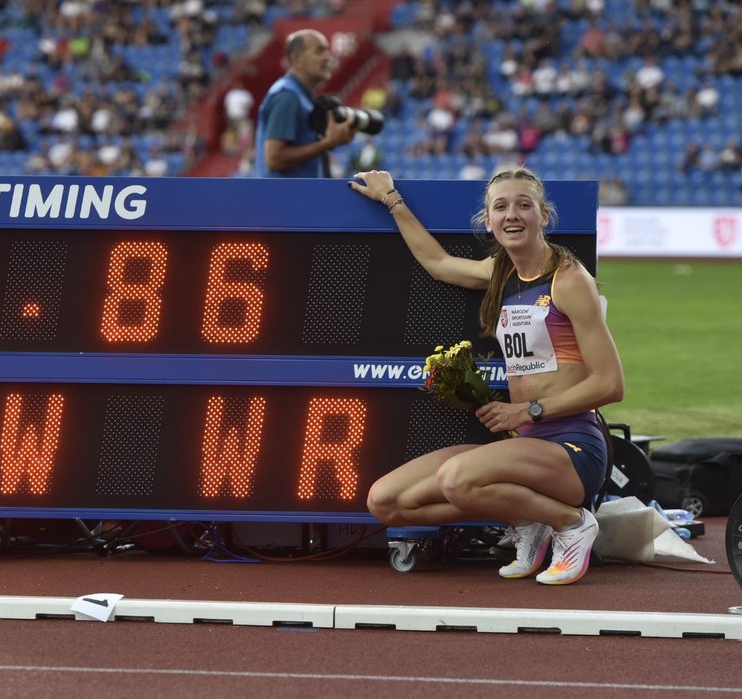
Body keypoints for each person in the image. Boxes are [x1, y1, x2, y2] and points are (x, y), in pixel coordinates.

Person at [348, 167, 624, 585]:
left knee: (457, 479)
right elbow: (439, 264)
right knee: (386, 502)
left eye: (524, 205)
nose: (512, 214)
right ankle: (528, 519)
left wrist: (527, 411)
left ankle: (570, 523)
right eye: (501, 207)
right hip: (526, 450)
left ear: (543, 216)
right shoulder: (501, 272)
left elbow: (611, 384)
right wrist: (392, 200)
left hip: (572, 451)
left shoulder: (569, 280)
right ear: (488, 220)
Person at [253, 29, 355, 177]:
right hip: (283, 198)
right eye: (319, 51)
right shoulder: (287, 96)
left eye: (328, 50)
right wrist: (327, 143)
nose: (328, 57)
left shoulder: (303, 96)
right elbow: (274, 159)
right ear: (296, 59)